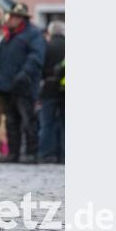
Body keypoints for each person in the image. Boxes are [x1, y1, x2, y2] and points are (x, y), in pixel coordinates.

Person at [0, 2, 46, 164]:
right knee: (11, 121)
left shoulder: (33, 34)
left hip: (24, 86)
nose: (11, 19)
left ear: (22, 19)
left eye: (14, 17)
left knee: (28, 120)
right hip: (6, 86)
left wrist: (24, 74)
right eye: (11, 16)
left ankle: (31, 153)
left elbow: (35, 58)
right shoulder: (7, 35)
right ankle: (13, 153)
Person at [39, 21, 65, 164]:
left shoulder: (46, 47)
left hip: (48, 89)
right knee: (65, 123)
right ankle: (63, 154)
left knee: (47, 123)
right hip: (65, 91)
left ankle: (45, 154)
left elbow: (40, 67)